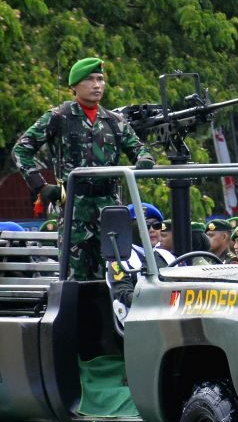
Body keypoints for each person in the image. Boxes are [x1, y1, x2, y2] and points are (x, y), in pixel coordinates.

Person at [13, 57, 155, 280]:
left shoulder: (114, 121)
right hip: (74, 207)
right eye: (89, 79)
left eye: (100, 79)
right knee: (74, 279)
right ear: (74, 86)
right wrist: (41, 186)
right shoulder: (59, 117)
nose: (97, 85)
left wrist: (144, 160)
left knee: (113, 277)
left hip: (108, 207)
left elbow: (140, 150)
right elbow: (21, 150)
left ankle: (109, 315)